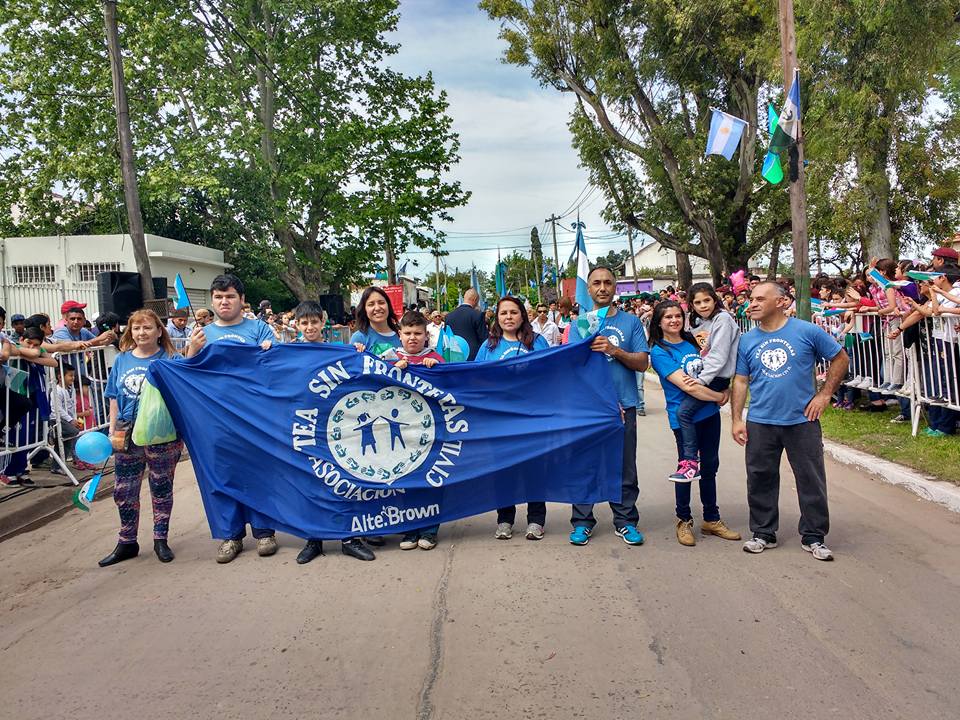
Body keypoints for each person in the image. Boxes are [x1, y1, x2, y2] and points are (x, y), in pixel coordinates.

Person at [731, 282, 848, 562]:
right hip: (761, 420)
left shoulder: (806, 331)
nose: (753, 304)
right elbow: (741, 379)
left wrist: (825, 395)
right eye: (751, 299)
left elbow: (840, 358)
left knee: (810, 479)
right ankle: (763, 532)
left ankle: (814, 536)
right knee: (760, 478)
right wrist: (737, 418)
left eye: (760, 299)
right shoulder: (747, 340)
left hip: (801, 420)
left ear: (782, 302)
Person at [185, 274, 278, 563]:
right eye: (218, 297)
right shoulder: (202, 334)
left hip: (255, 414)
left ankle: (265, 532)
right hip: (216, 418)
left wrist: (269, 352)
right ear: (212, 301)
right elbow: (189, 375)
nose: (224, 301)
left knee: (259, 471)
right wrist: (192, 351)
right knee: (223, 473)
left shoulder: (260, 330)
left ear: (241, 299)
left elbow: (275, 367)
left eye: (230, 296)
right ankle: (231, 536)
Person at [566, 266, 649, 547]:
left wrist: (615, 351)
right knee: (585, 466)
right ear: (588, 289)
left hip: (625, 406)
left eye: (608, 283)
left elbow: (642, 362)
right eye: (596, 283)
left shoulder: (631, 322)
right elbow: (574, 369)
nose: (602, 287)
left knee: (625, 467)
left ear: (615, 287)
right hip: (590, 409)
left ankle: (625, 521)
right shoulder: (578, 325)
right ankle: (582, 522)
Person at [648, 301, 741, 546]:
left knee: (710, 466)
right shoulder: (659, 352)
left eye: (678, 315)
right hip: (684, 417)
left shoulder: (692, 341)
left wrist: (722, 389)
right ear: (659, 322)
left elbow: (716, 364)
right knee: (687, 468)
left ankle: (711, 518)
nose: (674, 320)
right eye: (667, 317)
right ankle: (684, 519)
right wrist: (720, 397)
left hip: (708, 415)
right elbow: (689, 386)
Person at [291, 301, 377, 564]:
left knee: (343, 479)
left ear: (323, 323)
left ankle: (349, 538)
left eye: (314, 322)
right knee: (310, 481)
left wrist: (358, 352)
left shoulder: (339, 350)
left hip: (337, 425)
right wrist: (268, 350)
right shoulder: (289, 352)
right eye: (304, 323)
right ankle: (313, 539)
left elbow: (360, 371)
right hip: (304, 425)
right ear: (297, 325)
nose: (309, 327)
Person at [99, 309, 183, 567]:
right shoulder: (122, 360)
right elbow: (114, 397)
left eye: (147, 328)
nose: (141, 333)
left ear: (159, 331)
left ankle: (160, 538)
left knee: (160, 487)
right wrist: (112, 431)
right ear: (130, 332)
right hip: (126, 432)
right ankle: (127, 541)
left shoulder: (171, 358)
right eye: (136, 328)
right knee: (124, 490)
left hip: (162, 433)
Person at [474, 297, 550, 540]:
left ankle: (536, 520)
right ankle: (505, 519)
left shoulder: (537, 342)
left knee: (534, 470)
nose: (508, 317)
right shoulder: (488, 346)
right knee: (503, 470)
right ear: (497, 317)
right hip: (500, 421)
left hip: (532, 418)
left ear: (522, 316)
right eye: (503, 312)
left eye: (513, 312)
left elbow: (553, 372)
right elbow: (474, 378)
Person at [381, 311, 444, 551]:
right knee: (405, 482)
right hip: (400, 436)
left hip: (429, 433)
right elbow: (371, 379)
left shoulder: (435, 358)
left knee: (430, 481)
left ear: (426, 336)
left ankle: (429, 530)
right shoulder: (388, 357)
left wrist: (436, 369)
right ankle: (409, 531)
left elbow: (451, 388)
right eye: (407, 333)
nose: (413, 338)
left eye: (418, 333)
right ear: (400, 335)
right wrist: (391, 370)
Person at [670, 283, 740, 482]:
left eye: (706, 300)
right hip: (710, 377)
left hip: (714, 378)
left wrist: (698, 382)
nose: (702, 305)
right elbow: (704, 351)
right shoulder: (701, 321)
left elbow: (718, 356)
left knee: (683, 412)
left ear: (715, 299)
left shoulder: (723, 319)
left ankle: (690, 461)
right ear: (691, 305)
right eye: (697, 302)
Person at [50, 363, 96, 474]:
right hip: (57, 419)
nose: (73, 378)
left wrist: (74, 418)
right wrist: (71, 420)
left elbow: (73, 407)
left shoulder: (71, 390)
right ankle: (51, 435)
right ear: (60, 377)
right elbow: (57, 409)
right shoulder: (56, 391)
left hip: (68, 419)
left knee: (66, 441)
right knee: (73, 433)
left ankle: (57, 466)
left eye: (73, 375)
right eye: (70, 375)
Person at [350, 287, 401, 356]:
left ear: (388, 306)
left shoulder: (402, 335)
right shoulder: (359, 338)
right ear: (364, 309)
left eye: (381, 303)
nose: (377, 308)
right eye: (371, 304)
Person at [443, 288, 488, 360]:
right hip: (473, 358)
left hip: (454, 357)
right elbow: (484, 339)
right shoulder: (478, 315)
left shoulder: (449, 316)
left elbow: (446, 338)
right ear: (475, 299)